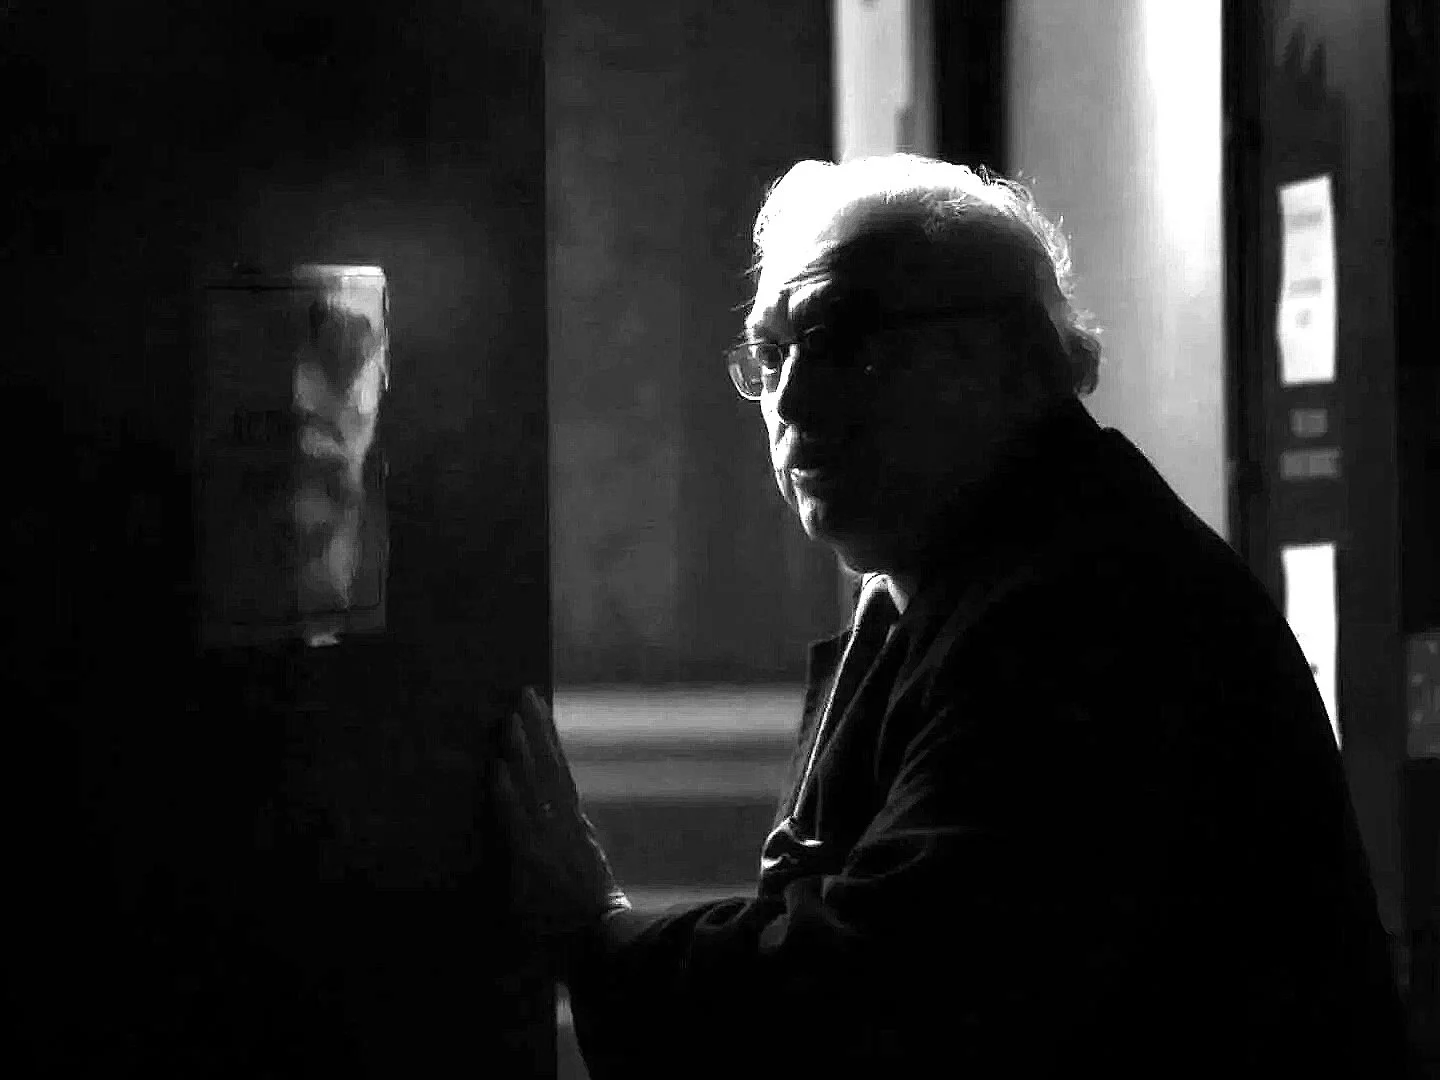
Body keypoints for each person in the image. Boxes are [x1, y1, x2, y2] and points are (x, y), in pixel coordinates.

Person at [491, 154, 1410, 1077]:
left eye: (843, 340)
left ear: (1008, 361)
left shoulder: (1092, 610)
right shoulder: (952, 569)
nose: (792, 400)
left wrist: (597, 932)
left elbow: (891, 979)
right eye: (770, 355)